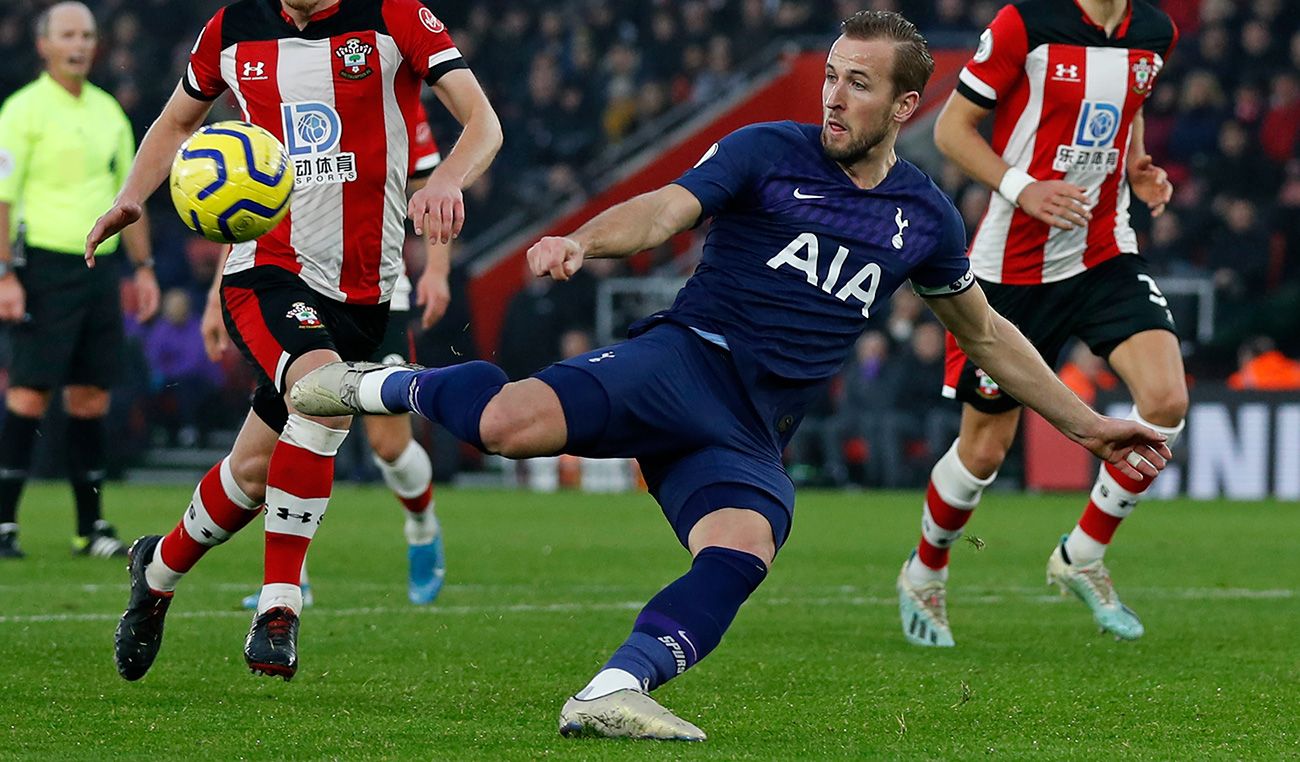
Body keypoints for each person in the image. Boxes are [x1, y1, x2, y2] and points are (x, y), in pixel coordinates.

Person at [292, 11, 1169, 740]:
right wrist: (581, 239)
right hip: (679, 361)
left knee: (745, 546)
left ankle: (611, 690)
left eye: (858, 83)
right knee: (504, 426)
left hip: (752, 430)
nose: (834, 94)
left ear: (905, 103)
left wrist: (1090, 428)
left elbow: (988, 336)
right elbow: (665, 210)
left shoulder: (925, 218)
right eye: (831, 74)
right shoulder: (766, 150)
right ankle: (383, 384)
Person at [86, 0, 501, 682]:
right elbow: (176, 122)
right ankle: (280, 607)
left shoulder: (395, 16)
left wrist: (450, 177)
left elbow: (484, 121)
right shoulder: (231, 28)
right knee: (325, 398)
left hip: (366, 294)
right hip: (268, 273)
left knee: (252, 473)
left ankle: (155, 571)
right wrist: (135, 195)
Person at [897, 0, 1188, 647]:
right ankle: (925, 571)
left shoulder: (1154, 31)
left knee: (1166, 400)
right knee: (984, 452)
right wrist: (1023, 187)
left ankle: (1083, 554)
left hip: (1104, 251)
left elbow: (1126, 110)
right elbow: (952, 130)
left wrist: (1136, 163)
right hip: (1013, 268)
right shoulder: (1024, 23)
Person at [214, 102, 454, 609]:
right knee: (289, 424)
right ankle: (290, 576)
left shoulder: (392, 94)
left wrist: (436, 270)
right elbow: (243, 205)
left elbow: (430, 188)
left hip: (377, 295)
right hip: (292, 289)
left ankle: (421, 526)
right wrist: (220, 289)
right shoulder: (279, 93)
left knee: (389, 444)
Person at [0, 2, 160, 560]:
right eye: (68, 34)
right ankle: (3, 525)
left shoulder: (109, 112)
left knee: (91, 397)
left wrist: (143, 270)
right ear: (43, 45)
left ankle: (90, 528)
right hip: (40, 266)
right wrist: (5, 274)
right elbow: (3, 197)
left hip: (100, 269)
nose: (80, 43)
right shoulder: (21, 111)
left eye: (87, 34)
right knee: (28, 392)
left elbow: (129, 199)